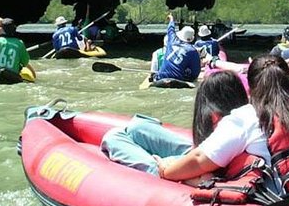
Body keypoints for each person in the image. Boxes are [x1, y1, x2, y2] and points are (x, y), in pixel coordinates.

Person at [155, 55, 289, 206]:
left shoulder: (249, 115)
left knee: (186, 171)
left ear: (251, 88)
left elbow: (201, 157)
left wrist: (166, 171)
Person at [100, 71, 250, 180]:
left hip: (206, 166)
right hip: (209, 158)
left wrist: (163, 168)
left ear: (213, 115)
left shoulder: (227, 129)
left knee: (113, 136)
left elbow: (202, 171)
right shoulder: (248, 118)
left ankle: (151, 168)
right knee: (137, 126)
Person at [156, 14, 201, 82]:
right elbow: (195, 72)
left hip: (161, 77)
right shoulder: (193, 51)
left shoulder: (172, 40)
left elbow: (171, 29)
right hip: (178, 79)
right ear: (192, 39)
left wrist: (171, 19)